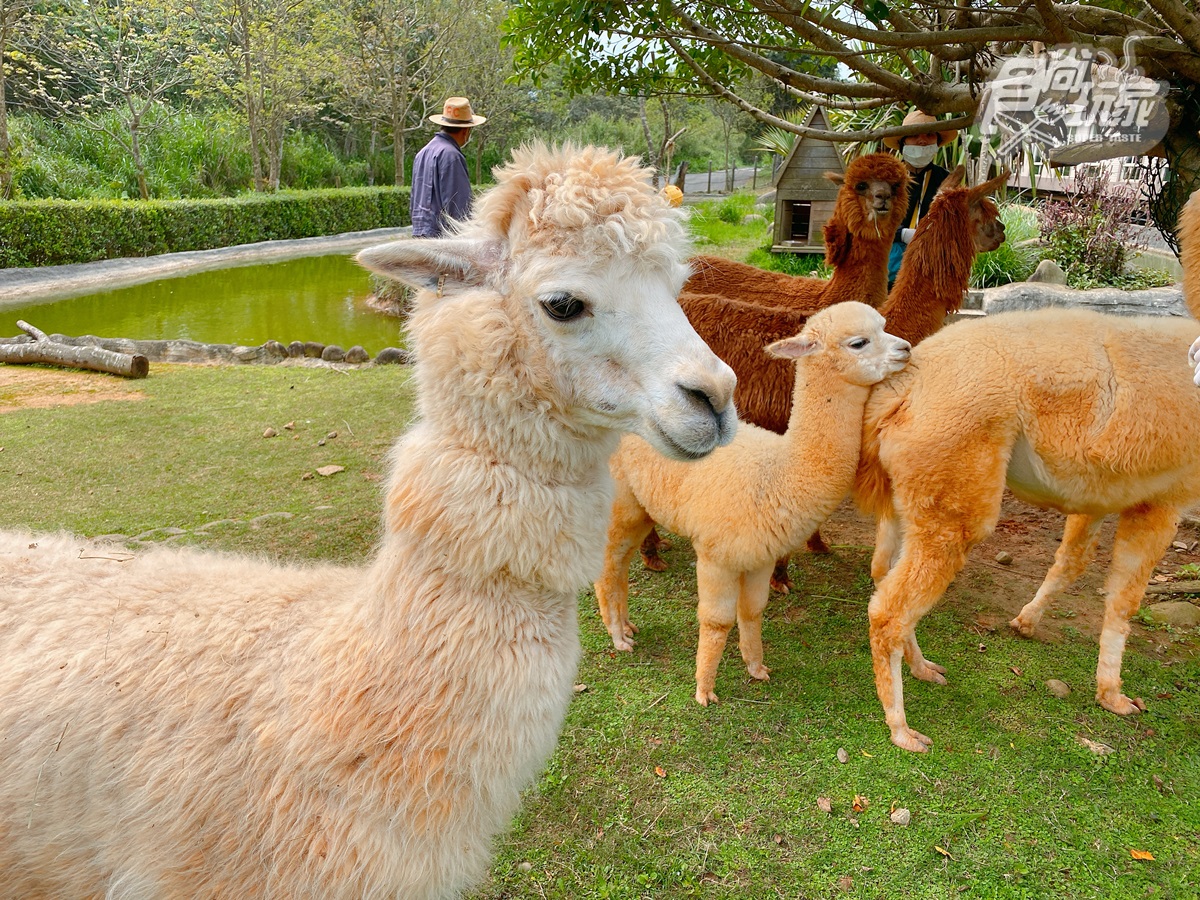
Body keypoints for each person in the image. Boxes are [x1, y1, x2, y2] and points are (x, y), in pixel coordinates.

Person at [883, 109, 958, 288]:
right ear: (902, 142)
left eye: (930, 134)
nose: (922, 140)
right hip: (886, 263)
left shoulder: (945, 178)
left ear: (937, 142)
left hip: (929, 267)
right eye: (914, 135)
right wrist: (902, 233)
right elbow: (871, 220)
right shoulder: (886, 177)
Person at [410, 97, 487, 238]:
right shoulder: (451, 155)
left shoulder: (422, 153)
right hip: (442, 240)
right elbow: (459, 207)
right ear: (466, 130)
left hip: (420, 234)